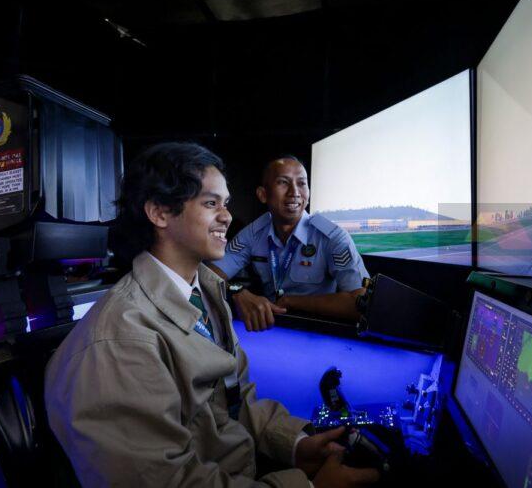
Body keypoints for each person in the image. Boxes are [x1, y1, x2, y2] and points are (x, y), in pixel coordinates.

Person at [44, 143, 378, 488]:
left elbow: (231, 399)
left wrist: (295, 445)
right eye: (210, 203)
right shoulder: (121, 342)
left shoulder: (206, 293)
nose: (227, 216)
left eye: (226, 203)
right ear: (159, 213)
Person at [210, 156, 369, 331]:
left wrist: (292, 302)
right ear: (263, 194)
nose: (295, 192)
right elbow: (208, 274)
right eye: (283, 182)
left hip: (318, 331)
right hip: (272, 328)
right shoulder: (253, 234)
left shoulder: (332, 237)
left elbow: (362, 304)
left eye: (301, 183)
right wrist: (236, 291)